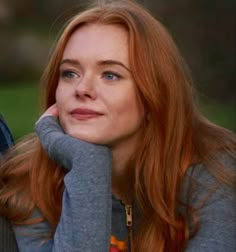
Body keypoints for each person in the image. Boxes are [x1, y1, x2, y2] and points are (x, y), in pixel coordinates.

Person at [0, 0, 235, 251]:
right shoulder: (26, 186)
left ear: (153, 95)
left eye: (110, 75)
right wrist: (87, 163)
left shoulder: (214, 174)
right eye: (70, 73)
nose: (82, 89)